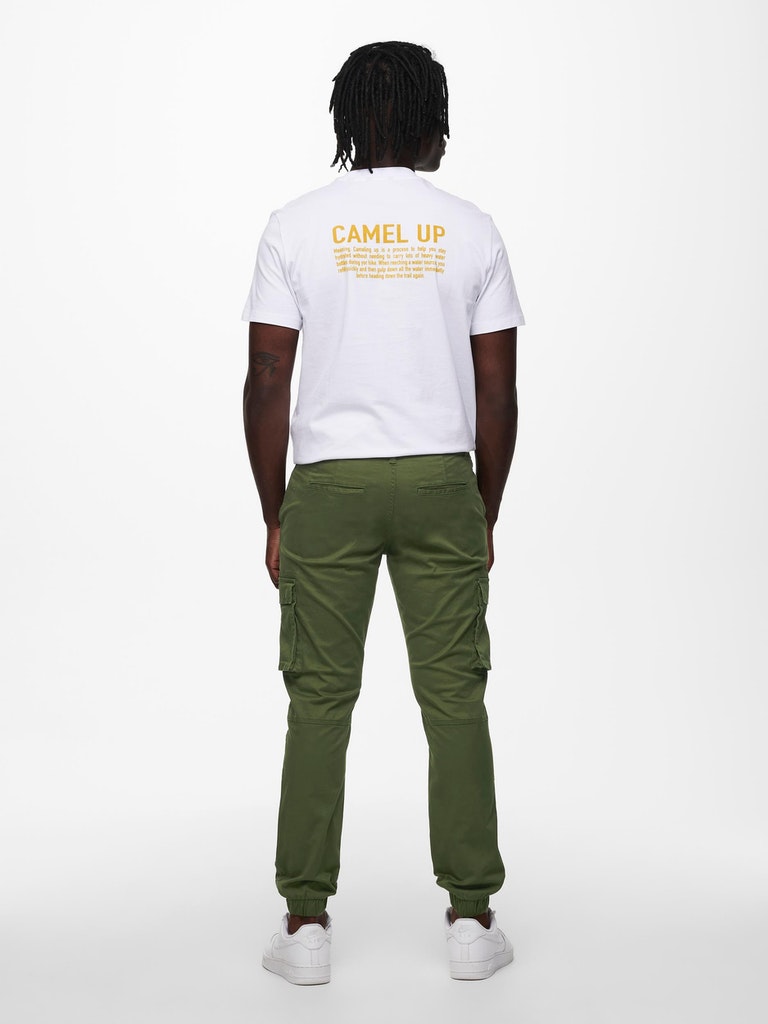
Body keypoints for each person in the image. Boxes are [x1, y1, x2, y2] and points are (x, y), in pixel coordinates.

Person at [241, 40, 525, 984]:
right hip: (443, 481)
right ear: (425, 118)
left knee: (319, 701)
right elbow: (497, 390)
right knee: (456, 699)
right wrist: (483, 509)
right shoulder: (471, 230)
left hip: (329, 486)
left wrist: (276, 512)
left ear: (351, 119)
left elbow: (268, 377)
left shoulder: (295, 226)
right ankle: (472, 920)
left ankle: (305, 926)